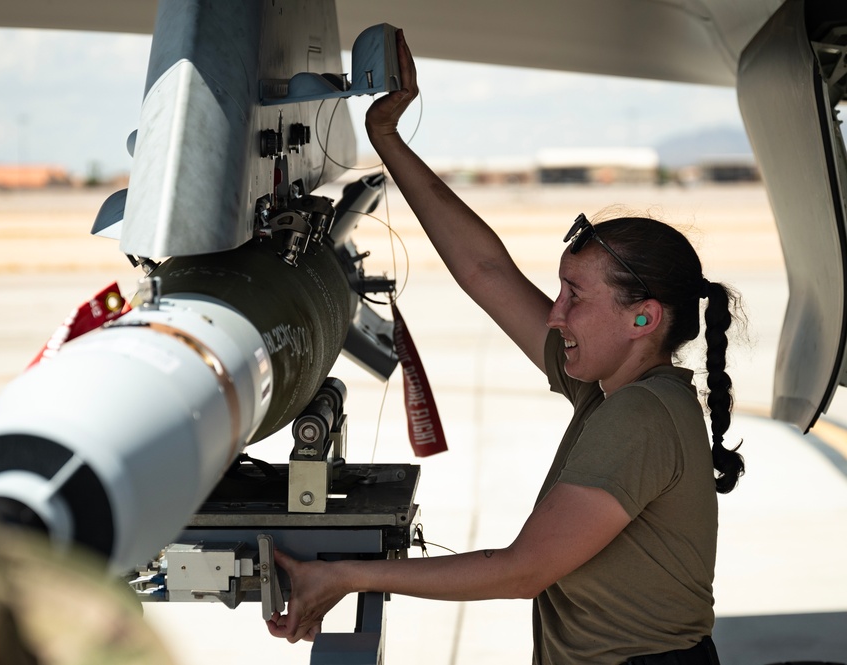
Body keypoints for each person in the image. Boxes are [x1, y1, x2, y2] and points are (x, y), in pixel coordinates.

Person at [265, 29, 745, 664]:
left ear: (642, 320)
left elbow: (521, 572)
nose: (555, 312)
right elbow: (488, 273)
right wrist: (388, 139)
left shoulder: (640, 417)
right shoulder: (612, 388)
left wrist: (347, 573)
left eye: (576, 295)